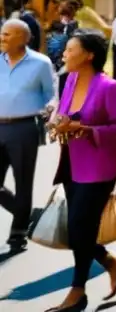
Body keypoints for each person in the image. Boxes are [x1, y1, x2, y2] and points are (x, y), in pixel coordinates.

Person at [47, 29, 116, 312]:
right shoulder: (70, 79)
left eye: (70, 50)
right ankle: (111, 263)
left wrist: (86, 130)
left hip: (99, 168)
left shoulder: (108, 87)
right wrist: (56, 123)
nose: (65, 54)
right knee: (78, 229)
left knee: (79, 228)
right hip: (71, 162)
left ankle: (77, 292)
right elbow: (64, 112)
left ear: (89, 55)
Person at [0, 19, 56, 253]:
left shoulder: (41, 63)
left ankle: (18, 233)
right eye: (2, 34)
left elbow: (52, 94)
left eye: (7, 35)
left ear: (24, 39)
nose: (2, 38)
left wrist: (51, 111)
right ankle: (28, 213)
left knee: (23, 183)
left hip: (24, 128)